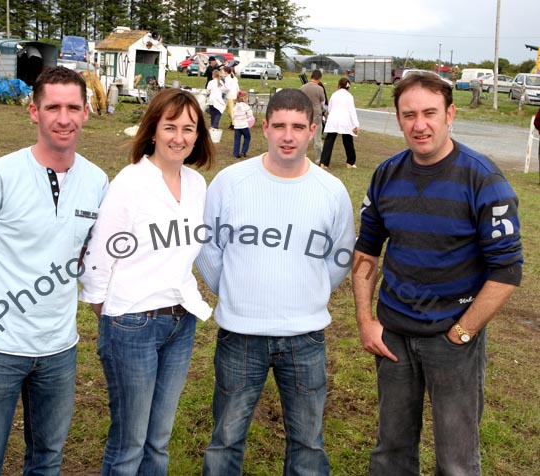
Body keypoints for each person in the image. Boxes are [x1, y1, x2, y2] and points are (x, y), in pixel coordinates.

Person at [352, 72, 523, 476]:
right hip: (392, 337)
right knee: (391, 451)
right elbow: (366, 252)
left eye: (430, 113)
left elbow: (507, 270)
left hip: (453, 339)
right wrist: (365, 321)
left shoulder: (484, 179)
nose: (419, 124)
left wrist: (462, 333)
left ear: (450, 114)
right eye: (409, 114)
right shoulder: (386, 175)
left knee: (457, 460)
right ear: (398, 119)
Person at [0, 66, 109, 475]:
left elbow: (91, 257)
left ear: (87, 112)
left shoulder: (98, 181)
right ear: (34, 111)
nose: (64, 117)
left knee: (48, 459)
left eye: (73, 107)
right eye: (53, 106)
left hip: (59, 350)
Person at [197, 88, 356, 475]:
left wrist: (309, 292)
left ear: (313, 130)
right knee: (226, 440)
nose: (288, 136)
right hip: (240, 334)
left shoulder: (331, 191)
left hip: (305, 338)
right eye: (280, 125)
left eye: (298, 127)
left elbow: (339, 258)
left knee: (307, 444)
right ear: (263, 126)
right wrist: (235, 290)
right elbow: (208, 248)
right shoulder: (230, 182)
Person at [79, 88, 216, 476]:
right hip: (132, 322)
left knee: (158, 439)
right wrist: (108, 314)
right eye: (169, 126)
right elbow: (101, 253)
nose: (179, 137)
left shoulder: (195, 184)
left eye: (188, 128)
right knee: (130, 442)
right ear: (152, 130)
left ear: (198, 135)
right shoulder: (131, 181)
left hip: (181, 319)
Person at [320, 77, 359, 170]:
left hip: (333, 120)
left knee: (329, 141)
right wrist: (356, 124)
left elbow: (329, 108)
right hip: (345, 121)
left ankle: (324, 163)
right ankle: (350, 162)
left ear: (339, 85)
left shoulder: (334, 95)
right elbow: (352, 111)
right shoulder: (349, 96)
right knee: (348, 141)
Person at [300, 69, 326, 164]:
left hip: (304, 116)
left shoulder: (302, 87)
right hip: (316, 116)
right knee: (317, 139)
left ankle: (302, 156)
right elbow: (323, 103)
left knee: (303, 138)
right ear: (319, 78)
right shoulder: (319, 89)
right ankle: (319, 159)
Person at [231, 90, 253, 158]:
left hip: (237, 126)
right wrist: (248, 118)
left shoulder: (235, 106)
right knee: (247, 137)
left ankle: (236, 153)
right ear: (244, 99)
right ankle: (244, 151)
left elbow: (233, 116)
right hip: (244, 125)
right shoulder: (245, 106)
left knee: (237, 139)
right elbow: (250, 114)